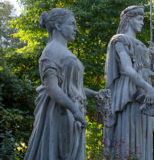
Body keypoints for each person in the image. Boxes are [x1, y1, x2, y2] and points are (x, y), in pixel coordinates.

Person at [24, 8, 100, 160]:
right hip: (60, 112)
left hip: (73, 112)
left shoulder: (65, 51)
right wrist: (74, 110)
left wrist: (94, 94)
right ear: (58, 26)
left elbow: (71, 87)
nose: (76, 28)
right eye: (72, 24)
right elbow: (52, 87)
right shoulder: (50, 51)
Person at [104, 6, 154, 160]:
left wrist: (153, 59)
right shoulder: (119, 40)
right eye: (139, 19)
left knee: (143, 131)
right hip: (128, 90)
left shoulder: (142, 45)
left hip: (144, 91)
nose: (142, 23)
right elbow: (128, 69)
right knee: (129, 127)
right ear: (128, 19)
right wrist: (148, 87)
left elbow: (146, 71)